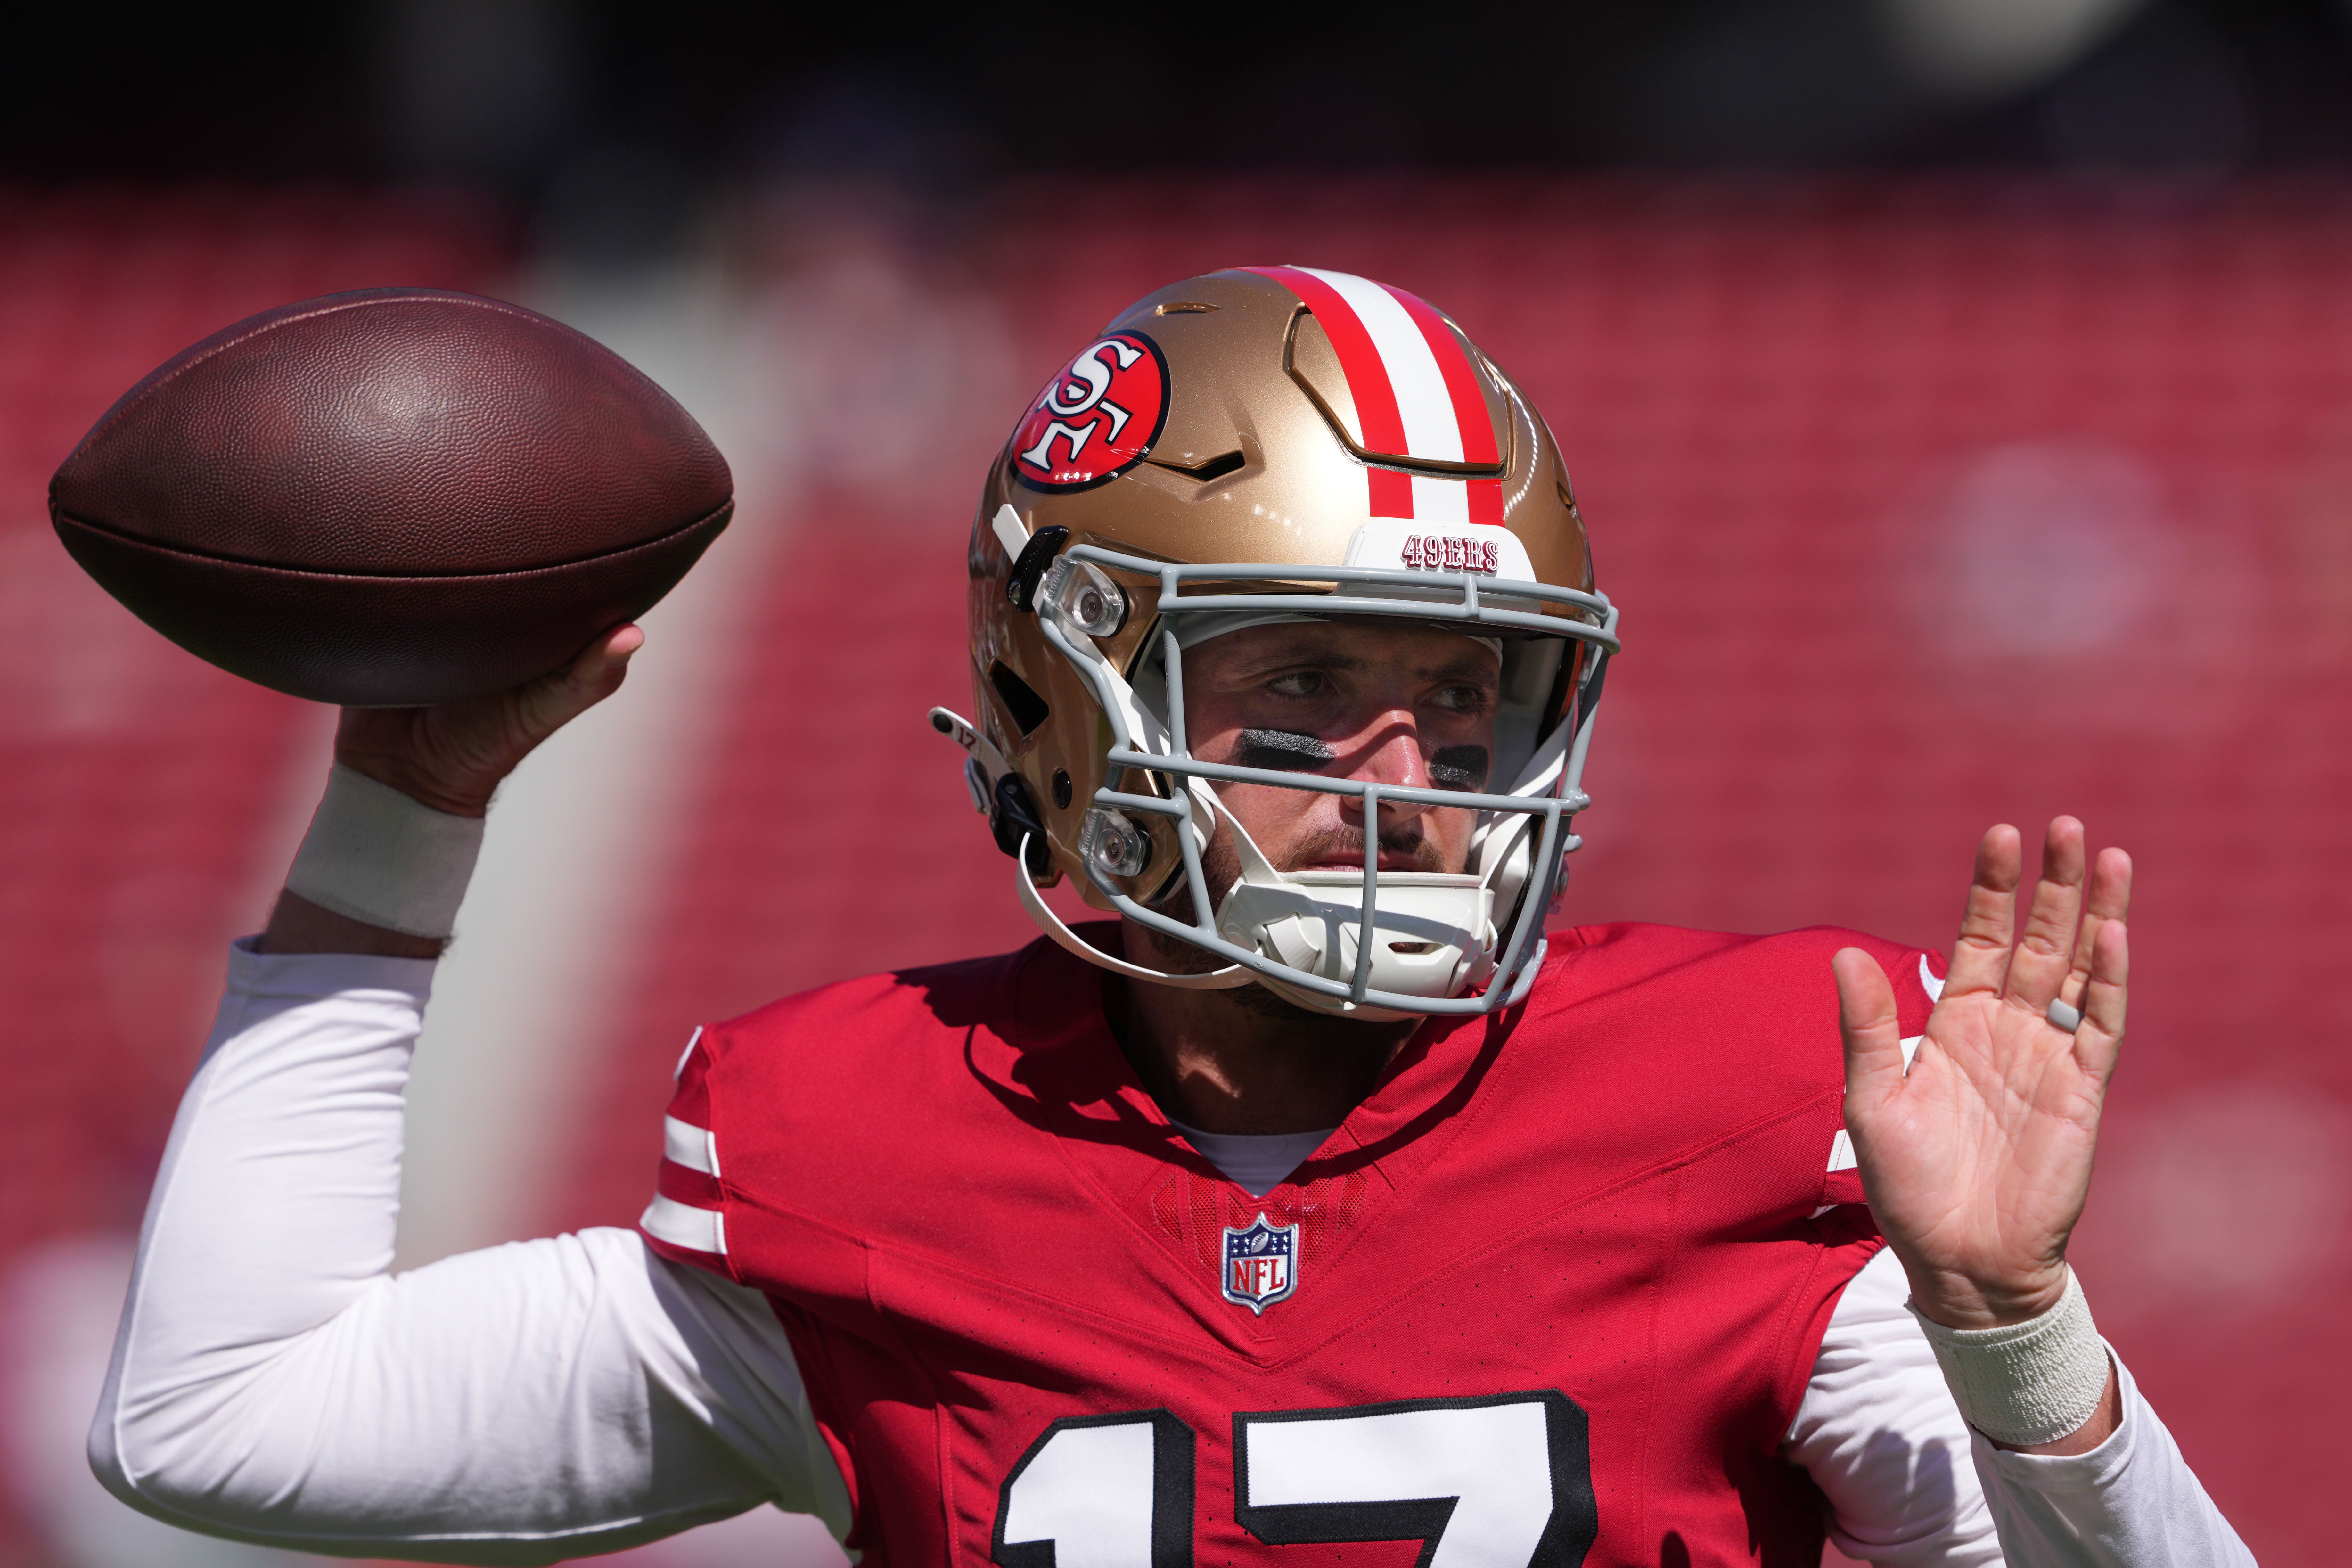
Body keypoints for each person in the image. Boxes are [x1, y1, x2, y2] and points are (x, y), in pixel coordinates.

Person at [91, 267, 2252, 1565]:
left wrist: (2013, 1328)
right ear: (1068, 690)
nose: (1404, 780)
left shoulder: (1753, 1107)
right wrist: (399, 807)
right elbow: (225, 1425)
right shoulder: (871, 1142)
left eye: (1468, 698)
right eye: (1307, 684)